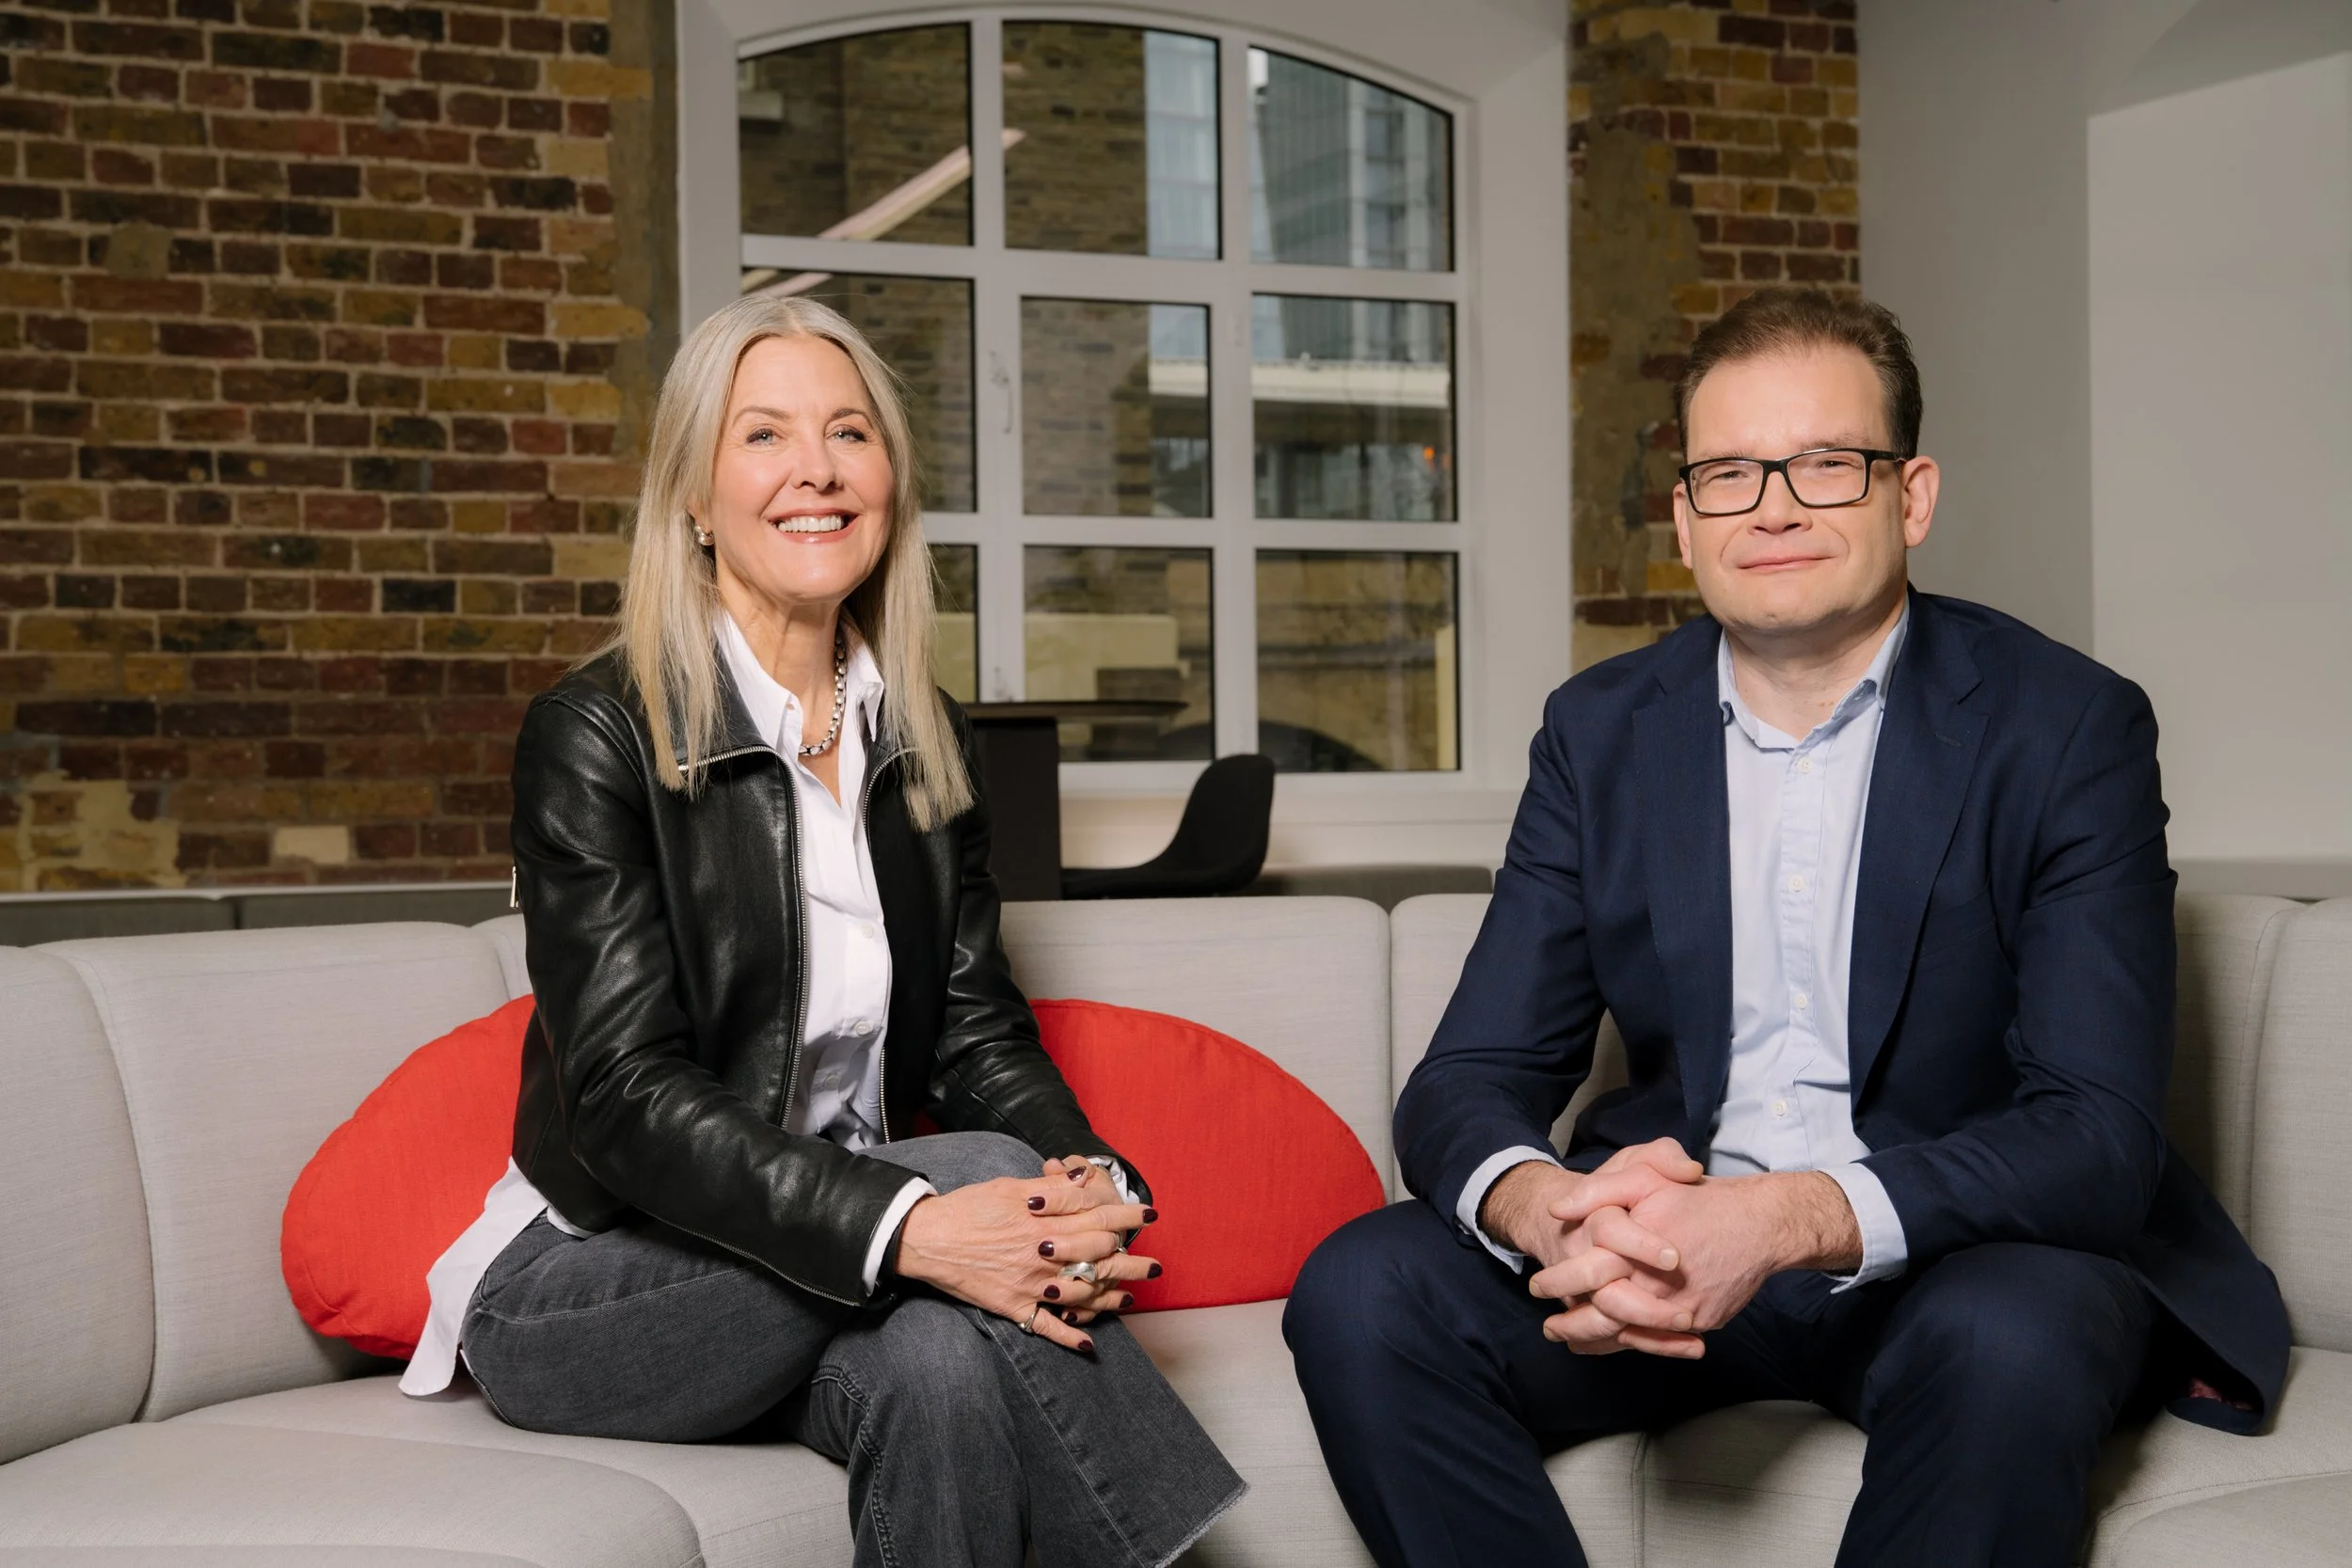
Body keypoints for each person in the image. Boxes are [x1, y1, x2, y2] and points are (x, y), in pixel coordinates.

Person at [1284, 289, 2287, 1568]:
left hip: (1951, 1255)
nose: (1772, 508)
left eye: (1825, 463)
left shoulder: (2067, 727)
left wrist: (1777, 1221)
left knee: (2015, 1336)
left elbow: (2097, 1134)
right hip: (1665, 1251)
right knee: (1365, 1287)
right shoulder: (1598, 732)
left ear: (1911, 496)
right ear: (1685, 518)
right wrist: (1554, 1211)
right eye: (1730, 474)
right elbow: (1467, 1078)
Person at [398, 293, 1244, 1568]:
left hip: (832, 1256)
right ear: (695, 496)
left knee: (943, 1367)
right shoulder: (599, 732)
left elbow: (975, 1032)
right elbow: (623, 1097)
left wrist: (1091, 1187)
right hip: (588, 1287)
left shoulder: (928, 735)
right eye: (764, 435)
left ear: (890, 480)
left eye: (850, 432)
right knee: (970, 1171)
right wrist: (915, 1221)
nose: (818, 470)